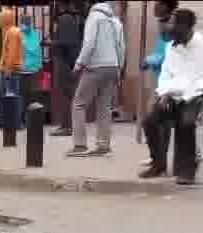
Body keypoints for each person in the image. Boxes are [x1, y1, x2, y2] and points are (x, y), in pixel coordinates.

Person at [140, 9, 203, 184]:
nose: (171, 27)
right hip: (171, 94)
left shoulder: (201, 45)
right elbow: (166, 74)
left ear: (187, 26)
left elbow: (199, 79)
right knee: (150, 120)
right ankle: (158, 164)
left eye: (175, 24)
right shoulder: (171, 46)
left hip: (195, 95)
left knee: (187, 122)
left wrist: (186, 97)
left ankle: (187, 170)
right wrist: (163, 93)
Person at [67, 0, 125, 157]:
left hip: (96, 66)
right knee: (104, 107)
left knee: (79, 104)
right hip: (112, 66)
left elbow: (89, 43)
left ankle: (80, 145)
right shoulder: (116, 21)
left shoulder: (94, 17)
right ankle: (103, 145)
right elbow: (121, 47)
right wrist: (118, 69)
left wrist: (78, 65)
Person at [139, 0, 178, 168]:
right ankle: (158, 157)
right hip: (162, 78)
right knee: (163, 122)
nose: (155, 6)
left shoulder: (171, 25)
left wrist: (148, 60)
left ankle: (158, 158)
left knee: (155, 120)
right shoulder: (164, 23)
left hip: (169, 82)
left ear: (166, 7)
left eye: (158, 3)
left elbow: (167, 53)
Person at [50, 0, 84, 137]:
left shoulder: (65, 19)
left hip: (65, 62)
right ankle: (67, 125)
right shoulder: (75, 19)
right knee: (69, 95)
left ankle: (66, 126)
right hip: (71, 61)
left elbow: (65, 43)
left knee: (65, 95)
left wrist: (52, 43)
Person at [0, 7, 23, 129]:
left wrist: (7, 70)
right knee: (3, 96)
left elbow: (11, 53)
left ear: (6, 19)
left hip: (10, 70)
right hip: (9, 69)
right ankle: (3, 120)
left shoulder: (12, 33)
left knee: (10, 97)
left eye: (1, 18)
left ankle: (13, 122)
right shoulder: (11, 31)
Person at [18, 15, 42, 128]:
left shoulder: (34, 35)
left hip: (31, 70)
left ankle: (31, 121)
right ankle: (22, 120)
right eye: (21, 23)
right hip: (22, 70)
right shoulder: (20, 34)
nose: (22, 26)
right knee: (22, 96)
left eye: (24, 24)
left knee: (32, 96)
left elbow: (34, 50)